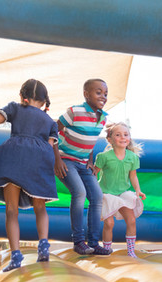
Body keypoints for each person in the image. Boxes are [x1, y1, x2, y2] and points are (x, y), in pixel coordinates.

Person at [0, 79, 58, 271]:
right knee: (40, 206)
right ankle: (44, 244)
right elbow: (50, 146)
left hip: (12, 158)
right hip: (39, 159)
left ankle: (15, 255)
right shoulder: (50, 122)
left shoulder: (15, 108)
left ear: (22, 97)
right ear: (45, 102)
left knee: (11, 210)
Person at [54, 79, 111, 255]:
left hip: (83, 163)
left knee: (97, 196)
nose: (103, 96)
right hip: (66, 160)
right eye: (98, 92)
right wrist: (57, 159)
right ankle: (78, 241)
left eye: (105, 93)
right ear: (86, 94)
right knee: (79, 192)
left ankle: (93, 243)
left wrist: (91, 161)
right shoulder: (74, 111)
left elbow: (90, 142)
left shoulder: (102, 118)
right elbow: (52, 131)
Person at [94, 122, 146, 258]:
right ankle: (106, 249)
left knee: (132, 220)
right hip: (106, 193)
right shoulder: (103, 157)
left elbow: (133, 176)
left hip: (123, 193)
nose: (123, 137)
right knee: (109, 223)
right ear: (110, 140)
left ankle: (130, 251)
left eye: (126, 134)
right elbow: (94, 174)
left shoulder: (132, 157)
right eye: (118, 135)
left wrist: (138, 190)